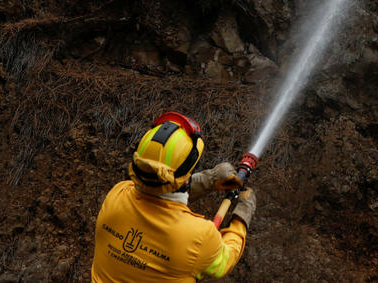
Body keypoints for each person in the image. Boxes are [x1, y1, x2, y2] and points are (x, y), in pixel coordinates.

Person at [91, 112, 256, 282]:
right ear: (184, 177)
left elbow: (157, 191)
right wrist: (243, 213)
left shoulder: (116, 195)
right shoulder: (199, 236)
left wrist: (210, 180)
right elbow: (225, 260)